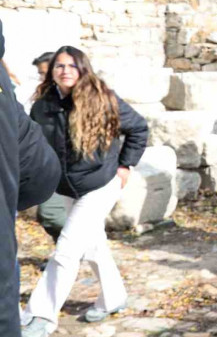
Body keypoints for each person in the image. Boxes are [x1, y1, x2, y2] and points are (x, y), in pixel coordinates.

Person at [22, 46, 149, 337]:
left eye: (71, 66)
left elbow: (139, 128)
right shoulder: (42, 105)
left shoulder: (103, 98)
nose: (65, 70)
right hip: (66, 186)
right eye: (59, 66)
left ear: (82, 69)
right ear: (51, 71)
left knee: (66, 251)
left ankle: (41, 315)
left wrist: (125, 166)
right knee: (93, 246)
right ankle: (114, 298)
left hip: (100, 183)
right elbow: (34, 144)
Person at [0, 20, 61, 337]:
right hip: (52, 183)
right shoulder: (37, 99)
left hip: (89, 181)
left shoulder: (95, 95)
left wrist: (118, 168)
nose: (56, 74)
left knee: (76, 246)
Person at [28, 52, 69, 244]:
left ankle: (74, 249)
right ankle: (67, 252)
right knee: (49, 215)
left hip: (80, 173)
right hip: (50, 171)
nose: (42, 78)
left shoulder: (83, 99)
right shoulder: (40, 104)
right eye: (40, 74)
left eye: (45, 73)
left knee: (54, 215)